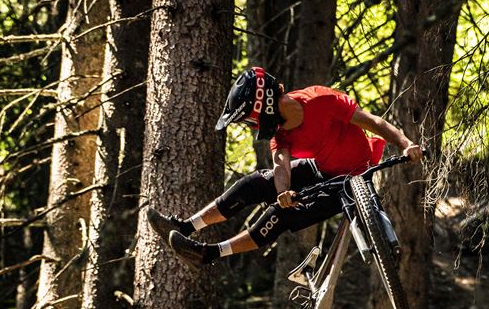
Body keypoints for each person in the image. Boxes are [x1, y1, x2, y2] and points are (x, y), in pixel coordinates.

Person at [147, 66, 423, 270]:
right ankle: (186, 227)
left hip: (350, 182)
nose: (252, 126)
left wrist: (406, 143)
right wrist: (283, 192)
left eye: (249, 120)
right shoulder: (281, 134)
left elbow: (373, 122)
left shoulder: (320, 100)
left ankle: (211, 253)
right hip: (321, 171)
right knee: (256, 184)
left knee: (280, 217)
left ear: (261, 106)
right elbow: (281, 165)